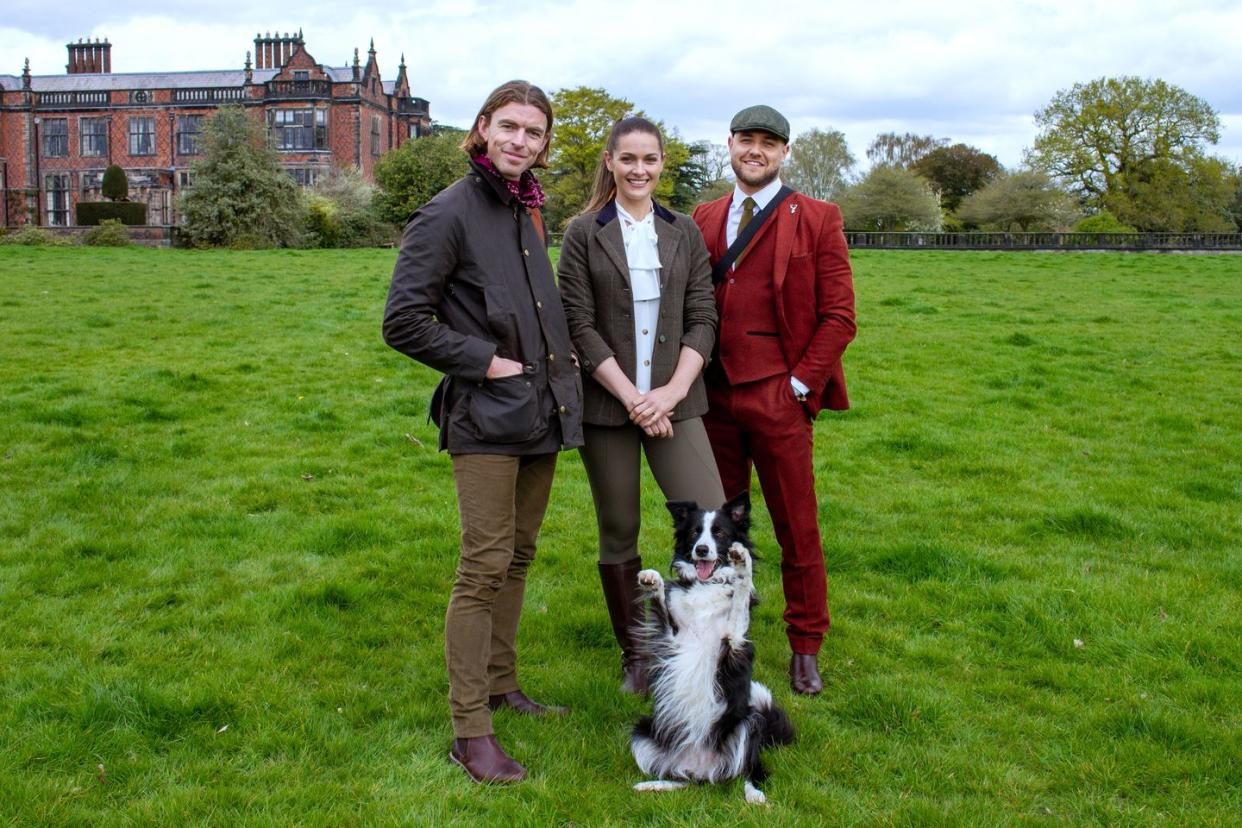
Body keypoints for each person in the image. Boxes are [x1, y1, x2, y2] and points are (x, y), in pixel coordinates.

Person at [382, 80, 582, 784]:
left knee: (520, 556)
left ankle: (502, 683)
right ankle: (471, 730)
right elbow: (402, 321)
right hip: (486, 417)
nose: (521, 141)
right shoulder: (447, 212)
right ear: (482, 128)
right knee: (483, 565)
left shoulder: (528, 210)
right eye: (510, 127)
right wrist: (486, 363)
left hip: (543, 411)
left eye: (534, 132)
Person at [691, 105, 856, 695]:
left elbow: (839, 316)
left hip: (778, 396)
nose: (754, 150)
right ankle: (720, 635)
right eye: (745, 140)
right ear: (729, 145)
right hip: (712, 399)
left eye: (768, 142)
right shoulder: (704, 216)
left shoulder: (817, 217)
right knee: (715, 529)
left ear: (785, 152)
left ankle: (805, 644)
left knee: (796, 525)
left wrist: (798, 386)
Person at [558, 117, 724, 694]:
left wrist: (671, 393)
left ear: (661, 164)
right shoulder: (583, 232)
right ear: (610, 161)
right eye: (627, 159)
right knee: (620, 526)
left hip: (676, 402)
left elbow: (704, 317)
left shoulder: (684, 231)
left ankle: (708, 643)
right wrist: (632, 397)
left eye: (649, 160)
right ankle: (637, 655)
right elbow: (577, 323)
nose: (639, 170)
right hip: (610, 407)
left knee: (710, 512)